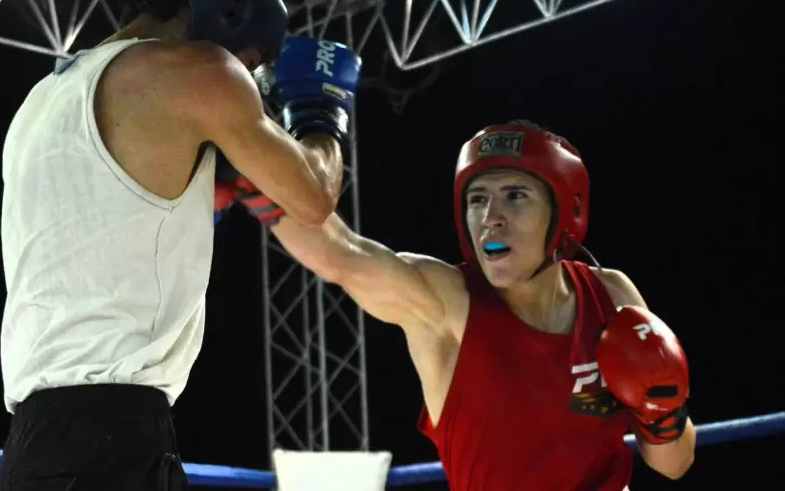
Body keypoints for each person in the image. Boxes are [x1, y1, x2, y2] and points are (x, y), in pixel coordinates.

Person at [0, 0, 361, 490]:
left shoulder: (40, 100)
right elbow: (313, 198)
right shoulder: (198, 72)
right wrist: (321, 112)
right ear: (232, 11)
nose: (245, 72)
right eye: (251, 58)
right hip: (112, 436)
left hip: (32, 442)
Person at [218, 120, 696, 490]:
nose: (492, 218)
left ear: (566, 213)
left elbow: (674, 465)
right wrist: (253, 177)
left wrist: (662, 410)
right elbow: (345, 256)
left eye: (516, 196)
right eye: (478, 200)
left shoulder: (611, 297)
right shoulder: (448, 303)